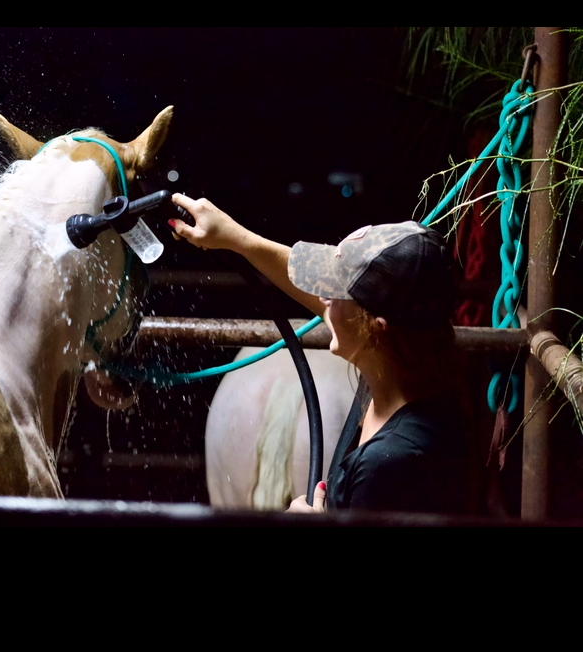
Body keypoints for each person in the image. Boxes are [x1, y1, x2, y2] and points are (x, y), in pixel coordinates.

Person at [170, 194, 470, 515]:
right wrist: (235, 238)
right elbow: (324, 298)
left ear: (375, 327)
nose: (323, 299)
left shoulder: (388, 465)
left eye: (337, 292)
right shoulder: (398, 368)